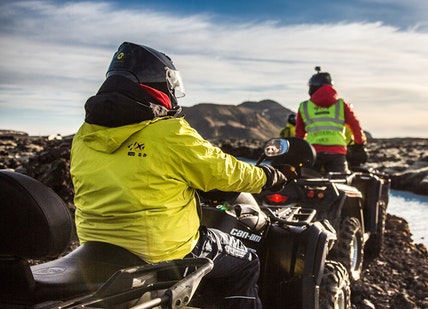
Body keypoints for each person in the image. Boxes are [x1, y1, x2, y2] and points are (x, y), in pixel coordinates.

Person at [70, 42, 292, 309]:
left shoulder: (85, 134)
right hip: (161, 251)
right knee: (246, 262)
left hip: (96, 246)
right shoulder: (169, 132)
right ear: (159, 83)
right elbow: (224, 171)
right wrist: (267, 177)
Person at [295, 66, 367, 173]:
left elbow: (299, 133)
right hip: (337, 152)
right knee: (340, 185)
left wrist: (298, 151)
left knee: (306, 184)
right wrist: (359, 144)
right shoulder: (341, 105)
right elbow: (355, 125)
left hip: (313, 152)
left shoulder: (304, 106)